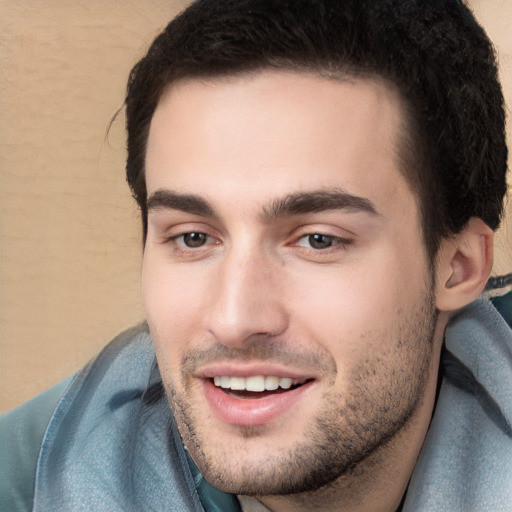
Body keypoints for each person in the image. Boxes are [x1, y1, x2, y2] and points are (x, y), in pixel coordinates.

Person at [1, 0, 512, 510]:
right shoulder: (23, 485)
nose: (234, 319)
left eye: (318, 240)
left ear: (459, 266)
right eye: (193, 238)